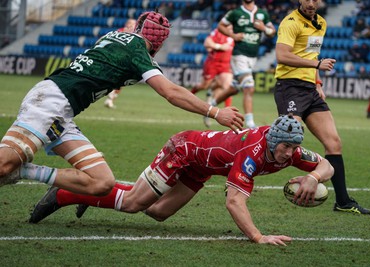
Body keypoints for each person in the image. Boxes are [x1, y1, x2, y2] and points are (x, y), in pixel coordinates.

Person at [0, 11, 244, 197]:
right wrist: (214, 111)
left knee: (101, 183)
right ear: (159, 42)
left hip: (62, 112)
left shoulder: (116, 36)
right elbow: (170, 92)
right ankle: (13, 169)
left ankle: (22, 172)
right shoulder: (138, 50)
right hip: (51, 101)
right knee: (3, 164)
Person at [29, 114, 334, 246]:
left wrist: (313, 177)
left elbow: (326, 164)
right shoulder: (252, 152)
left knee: (157, 212)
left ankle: (90, 197)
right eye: (285, 148)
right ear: (272, 141)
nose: (289, 154)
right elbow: (234, 201)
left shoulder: (289, 149)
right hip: (184, 150)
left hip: (201, 166)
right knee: (135, 203)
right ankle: (66, 194)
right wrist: (258, 237)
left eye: (294, 149)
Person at [273, 0, 370, 214]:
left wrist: (317, 82)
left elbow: (311, 54)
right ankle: (241, 171)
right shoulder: (290, 22)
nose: (311, 3)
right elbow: (282, 55)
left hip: (310, 89)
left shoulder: (321, 23)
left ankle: (343, 202)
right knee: (285, 141)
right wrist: (317, 65)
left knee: (334, 143)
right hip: (289, 87)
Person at [218, 0, 276, 129]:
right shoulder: (235, 13)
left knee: (234, 89)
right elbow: (221, 26)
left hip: (253, 57)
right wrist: (233, 35)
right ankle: (250, 123)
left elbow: (272, 32)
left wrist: (264, 28)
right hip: (239, 55)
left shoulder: (262, 13)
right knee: (249, 87)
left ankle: (211, 103)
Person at [190, 27, 236, 127]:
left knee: (227, 87)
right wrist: (219, 46)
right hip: (212, 63)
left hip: (225, 65)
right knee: (204, 85)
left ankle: (229, 115)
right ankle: (189, 94)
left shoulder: (236, 35)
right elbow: (207, 43)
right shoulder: (218, 32)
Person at [104, 18, 137, 109]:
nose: (133, 25)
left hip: (123, 60)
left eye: (134, 24)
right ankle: (109, 98)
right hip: (115, 59)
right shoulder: (120, 32)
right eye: (132, 23)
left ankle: (110, 99)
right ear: (127, 24)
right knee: (116, 81)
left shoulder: (133, 34)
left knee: (120, 82)